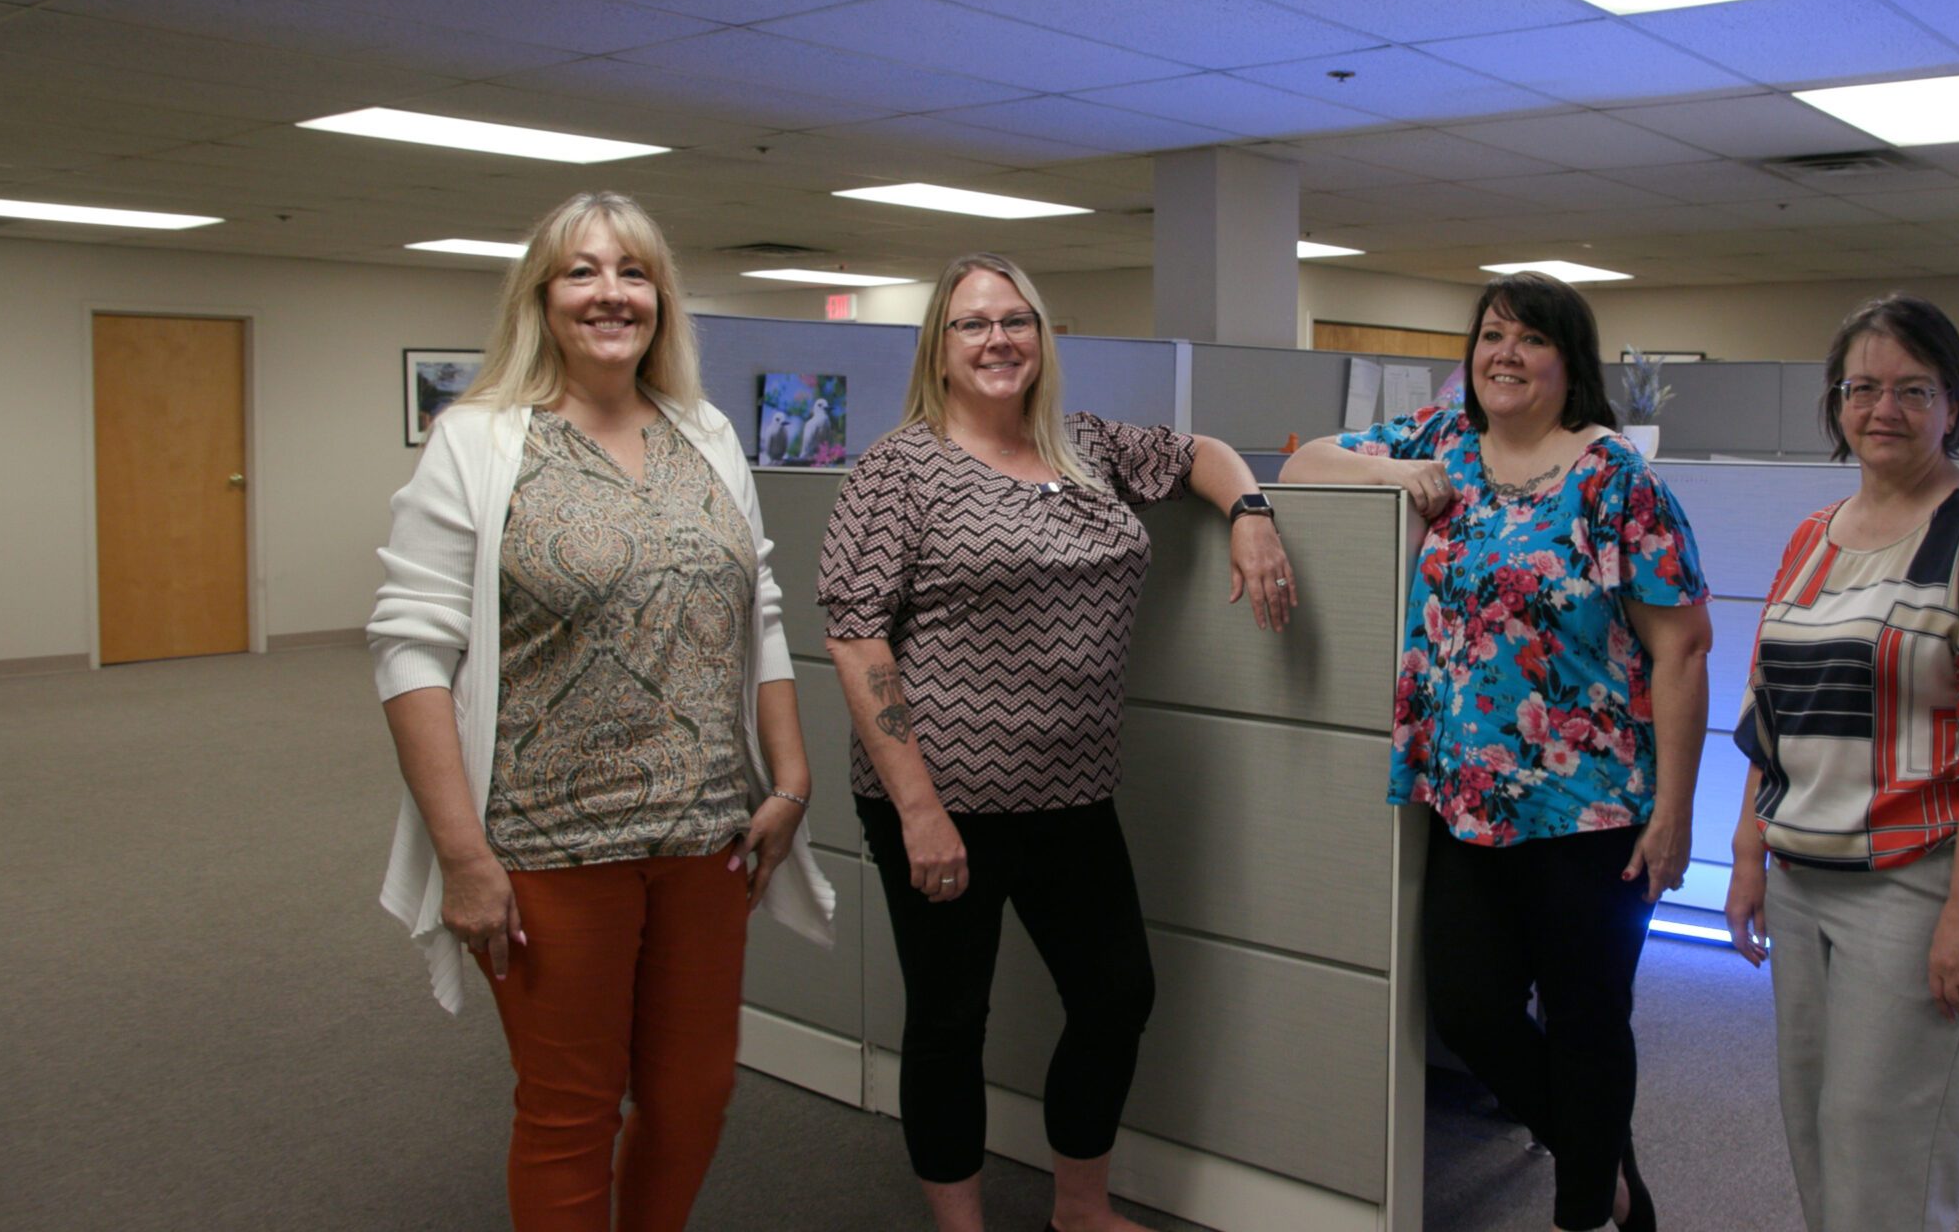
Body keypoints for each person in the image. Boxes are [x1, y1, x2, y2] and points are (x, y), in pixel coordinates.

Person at [368, 190, 835, 1231]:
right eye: (582, 271)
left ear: (661, 299)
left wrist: (791, 779)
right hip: (548, 843)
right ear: (542, 297)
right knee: (569, 1112)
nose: (609, 292)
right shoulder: (482, 442)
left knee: (693, 1095)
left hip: (706, 839)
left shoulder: (704, 432)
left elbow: (756, 606)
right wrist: (463, 856)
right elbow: (409, 650)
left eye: (633, 271)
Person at [816, 252, 1295, 1232]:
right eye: (973, 325)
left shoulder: (1085, 446)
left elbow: (1201, 453)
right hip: (936, 797)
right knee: (950, 1021)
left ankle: (1078, 1208)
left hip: (1070, 791)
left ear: (1042, 335)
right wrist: (918, 811)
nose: (997, 340)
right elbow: (855, 632)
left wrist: (1250, 513)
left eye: (1016, 320)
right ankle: (962, 1226)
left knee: (1116, 997)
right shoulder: (897, 468)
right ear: (938, 351)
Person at [1280, 270, 1713, 1232]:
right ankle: (1605, 1173)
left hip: (1592, 809)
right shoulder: (1443, 446)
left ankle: (1589, 1213)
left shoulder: (1616, 483)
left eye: (1529, 339)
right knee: (1469, 1011)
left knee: (1588, 1018)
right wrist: (1397, 477)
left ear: (1570, 361)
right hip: (1465, 799)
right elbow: (1307, 461)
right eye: (1489, 337)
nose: (1503, 355)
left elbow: (1681, 649)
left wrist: (1675, 813)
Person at [1724, 293, 1959, 1232]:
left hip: (1921, 876)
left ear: (1952, 404)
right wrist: (1749, 855)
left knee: (1887, 1140)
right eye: (1863, 388)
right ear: (1837, 405)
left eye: (1912, 390)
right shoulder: (1813, 536)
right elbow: (1771, 711)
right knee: (1814, 1121)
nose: (1885, 409)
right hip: (1803, 872)